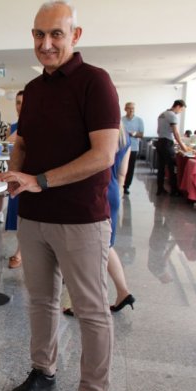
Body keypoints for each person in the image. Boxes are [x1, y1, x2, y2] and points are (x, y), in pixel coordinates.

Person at [0, 2, 120, 391]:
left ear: (75, 35)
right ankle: (43, 372)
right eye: (38, 34)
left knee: (90, 309)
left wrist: (41, 180)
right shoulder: (33, 89)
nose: (46, 43)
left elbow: (103, 155)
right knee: (40, 300)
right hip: (34, 216)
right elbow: (24, 142)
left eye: (56, 34)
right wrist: (15, 172)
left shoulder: (95, 82)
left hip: (81, 217)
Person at [63, 124, 136, 316]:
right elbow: (122, 173)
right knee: (106, 245)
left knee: (87, 249)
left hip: (93, 191)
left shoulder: (95, 132)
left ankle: (85, 304)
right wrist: (118, 194)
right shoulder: (125, 136)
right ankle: (123, 292)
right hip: (112, 191)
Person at [5, 90, 24, 269]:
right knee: (18, 215)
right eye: (17, 102)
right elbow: (6, 146)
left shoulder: (37, 124)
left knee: (28, 216)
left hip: (30, 177)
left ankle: (20, 252)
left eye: (24, 102)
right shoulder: (13, 127)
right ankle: (22, 250)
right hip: (15, 174)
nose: (20, 106)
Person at [156, 99, 189, 196]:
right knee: (172, 167)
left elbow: (158, 131)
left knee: (161, 167)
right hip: (167, 143)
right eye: (181, 110)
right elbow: (176, 133)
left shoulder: (162, 114)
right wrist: (183, 146)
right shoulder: (172, 115)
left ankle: (160, 189)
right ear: (178, 106)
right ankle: (174, 190)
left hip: (160, 141)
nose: (180, 112)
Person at [121, 102, 144, 195]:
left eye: (133, 108)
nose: (131, 110)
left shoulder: (139, 120)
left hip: (133, 148)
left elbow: (141, 134)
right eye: (129, 108)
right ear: (125, 109)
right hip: (122, 147)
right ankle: (120, 183)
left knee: (130, 167)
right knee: (121, 167)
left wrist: (133, 134)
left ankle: (126, 186)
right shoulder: (121, 120)